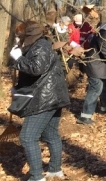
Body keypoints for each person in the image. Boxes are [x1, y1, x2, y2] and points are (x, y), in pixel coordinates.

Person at [9, 21, 70, 181]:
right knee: (50, 134)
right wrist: (18, 88)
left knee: (27, 137)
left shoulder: (40, 45)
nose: (17, 38)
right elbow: (36, 74)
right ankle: (55, 171)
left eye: (19, 35)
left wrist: (19, 59)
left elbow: (37, 68)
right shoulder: (38, 45)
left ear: (29, 34)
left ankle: (36, 177)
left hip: (45, 98)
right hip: (52, 95)